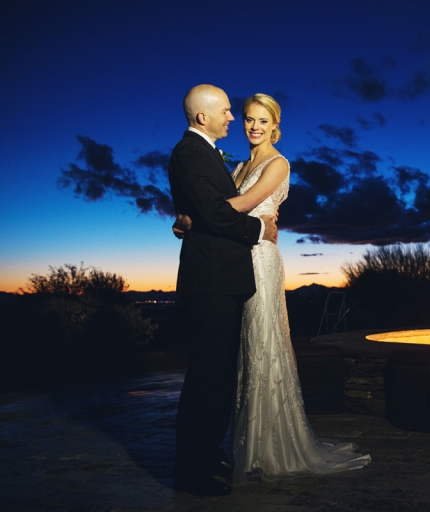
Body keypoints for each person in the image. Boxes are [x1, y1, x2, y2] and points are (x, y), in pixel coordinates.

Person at [177, 93, 371, 482]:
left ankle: (271, 444)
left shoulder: (277, 164)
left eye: (262, 121)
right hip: (233, 263)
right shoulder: (238, 164)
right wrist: (190, 214)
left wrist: (197, 215)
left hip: (260, 262)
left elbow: (241, 204)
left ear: (275, 125)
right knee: (240, 353)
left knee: (263, 347)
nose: (252, 126)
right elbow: (217, 206)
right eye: (248, 119)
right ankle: (241, 442)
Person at [168, 84, 277, 497]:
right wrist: (259, 228)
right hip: (211, 281)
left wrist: (188, 217)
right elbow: (214, 212)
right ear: (202, 118)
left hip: (223, 279)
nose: (234, 118)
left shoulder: (206, 153)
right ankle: (190, 472)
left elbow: (203, 209)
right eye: (229, 112)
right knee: (205, 378)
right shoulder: (192, 153)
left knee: (216, 377)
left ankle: (207, 453)